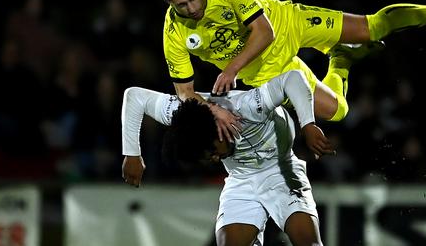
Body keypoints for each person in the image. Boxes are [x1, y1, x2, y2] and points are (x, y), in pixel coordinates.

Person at [155, 0, 426, 141]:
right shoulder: (173, 32)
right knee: (338, 112)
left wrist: (230, 69)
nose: (192, 7)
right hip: (267, 72)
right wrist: (215, 112)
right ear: (171, 5)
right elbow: (185, 93)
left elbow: (265, 32)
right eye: (182, 5)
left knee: (371, 27)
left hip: (285, 23)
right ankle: (341, 58)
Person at [121, 70, 334, 246]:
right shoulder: (184, 116)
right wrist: (132, 153)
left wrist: (308, 124)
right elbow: (134, 97)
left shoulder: (247, 107)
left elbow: (293, 78)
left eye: (212, 152)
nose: (215, 159)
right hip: (241, 179)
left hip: (281, 170)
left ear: (217, 131)